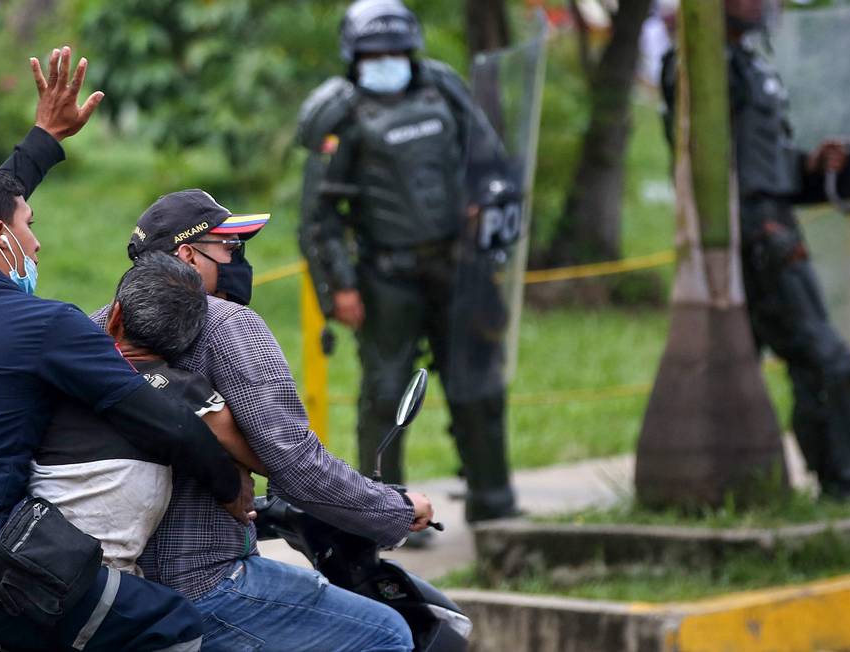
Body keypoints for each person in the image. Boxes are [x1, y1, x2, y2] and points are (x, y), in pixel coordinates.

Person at [0, 47, 249, 652]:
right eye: (29, 224)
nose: (37, 244)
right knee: (171, 625)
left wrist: (43, 138)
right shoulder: (46, 326)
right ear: (0, 237)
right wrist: (232, 488)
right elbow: (162, 420)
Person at [92, 189, 434, 651]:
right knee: (387, 634)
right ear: (188, 257)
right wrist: (394, 510)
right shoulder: (227, 323)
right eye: (229, 248)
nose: (239, 260)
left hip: (113, 589)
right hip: (203, 582)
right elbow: (295, 461)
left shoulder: (96, 329)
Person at [296, 0, 517, 525]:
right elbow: (318, 216)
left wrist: (486, 206)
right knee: (385, 396)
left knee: (478, 385)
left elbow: (489, 160)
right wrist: (339, 287)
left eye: (396, 50)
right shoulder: (340, 112)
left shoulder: (443, 89)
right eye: (375, 52)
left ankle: (493, 502)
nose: (387, 60)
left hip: (459, 269)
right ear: (355, 56)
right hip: (386, 277)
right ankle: (385, 514)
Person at [660, 0, 850, 498]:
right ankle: (842, 484)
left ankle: (828, 480)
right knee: (827, 361)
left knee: (810, 363)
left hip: (773, 221)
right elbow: (705, 164)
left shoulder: (752, 64)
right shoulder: (698, 68)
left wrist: (811, 168)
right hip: (757, 235)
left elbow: (757, 163)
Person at [31, 251, 267, 577]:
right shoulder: (186, 391)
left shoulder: (65, 374)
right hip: (99, 578)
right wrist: (233, 477)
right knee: (179, 623)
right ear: (187, 339)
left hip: (28, 548)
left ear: (114, 318)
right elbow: (266, 455)